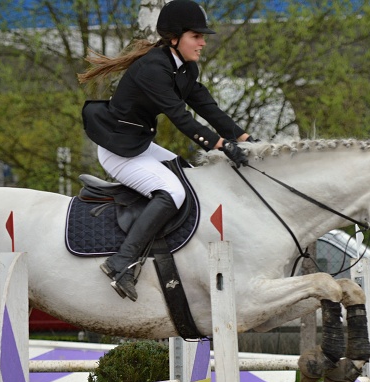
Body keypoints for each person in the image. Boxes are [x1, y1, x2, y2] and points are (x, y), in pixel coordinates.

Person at [79, 0, 254, 301]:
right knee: (173, 192)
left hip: (139, 145)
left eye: (202, 37)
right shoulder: (153, 69)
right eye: (196, 36)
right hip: (118, 149)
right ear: (175, 38)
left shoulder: (185, 68)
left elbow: (208, 108)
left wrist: (247, 139)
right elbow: (181, 117)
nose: (202, 43)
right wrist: (221, 146)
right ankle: (121, 262)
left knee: (187, 176)